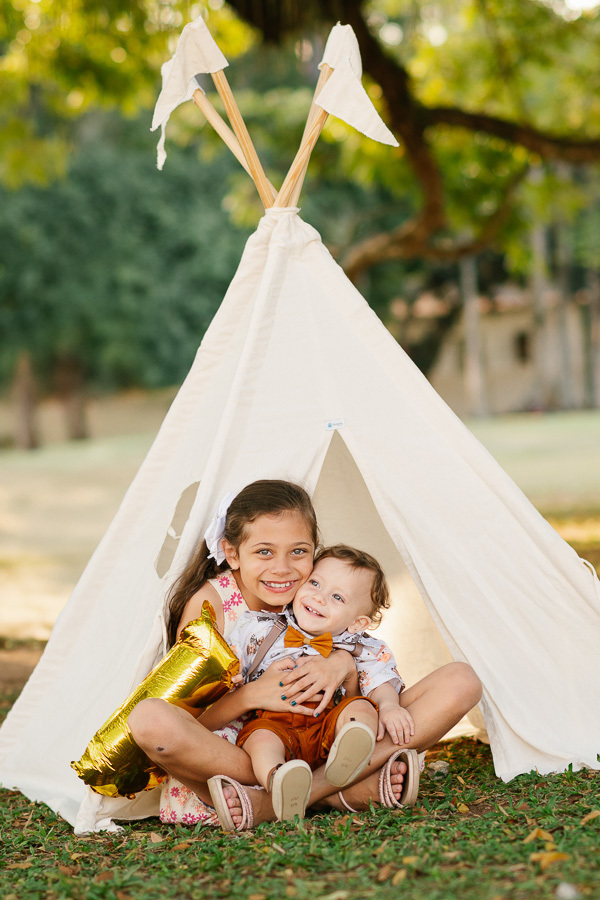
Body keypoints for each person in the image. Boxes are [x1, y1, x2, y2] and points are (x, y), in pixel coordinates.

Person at [128, 479, 483, 830]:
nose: (283, 569)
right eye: (264, 551)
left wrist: (344, 667)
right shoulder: (212, 607)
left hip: (328, 733)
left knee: (462, 681)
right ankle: (329, 791)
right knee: (149, 719)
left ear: (315, 550)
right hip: (245, 745)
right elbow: (193, 719)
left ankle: (289, 798)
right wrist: (251, 694)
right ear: (232, 554)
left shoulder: (317, 592)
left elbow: (364, 679)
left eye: (298, 552)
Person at [204, 545, 419, 825]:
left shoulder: (361, 646)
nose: (319, 597)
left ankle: (350, 749)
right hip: (275, 724)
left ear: (358, 622)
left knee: (361, 710)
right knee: (259, 740)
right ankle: (279, 778)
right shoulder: (262, 627)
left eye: (337, 597)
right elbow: (232, 660)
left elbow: (379, 678)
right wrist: (231, 676)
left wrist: (389, 705)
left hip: (329, 723)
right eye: (315, 583)